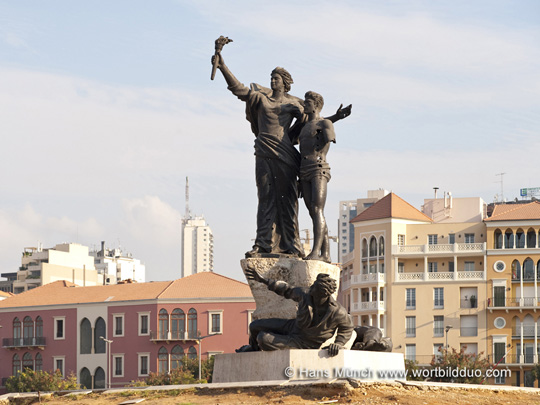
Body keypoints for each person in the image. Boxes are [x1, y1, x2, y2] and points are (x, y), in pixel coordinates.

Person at [212, 52, 351, 258]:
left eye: (276, 78)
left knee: (287, 200)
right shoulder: (260, 97)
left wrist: (335, 118)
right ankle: (262, 243)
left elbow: (313, 123)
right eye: (271, 77)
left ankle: (290, 244)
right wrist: (223, 67)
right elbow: (239, 89)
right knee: (265, 196)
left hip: (285, 154)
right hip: (263, 151)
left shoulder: (293, 104)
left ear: (285, 84)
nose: (272, 80)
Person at [241, 265, 354, 356]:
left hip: (304, 343)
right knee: (254, 326)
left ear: (322, 294)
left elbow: (347, 328)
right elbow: (287, 289)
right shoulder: (306, 294)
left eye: (314, 287)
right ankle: (252, 350)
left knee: (263, 338)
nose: (311, 288)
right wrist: (263, 280)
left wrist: (338, 343)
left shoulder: (337, 312)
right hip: (293, 326)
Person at [297, 91, 336, 262]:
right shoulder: (304, 126)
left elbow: (330, 135)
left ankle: (316, 252)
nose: (304, 105)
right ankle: (325, 254)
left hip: (318, 168)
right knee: (314, 212)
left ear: (316, 105)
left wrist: (327, 135)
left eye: (307, 102)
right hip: (304, 170)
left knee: (317, 209)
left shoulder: (324, 122)